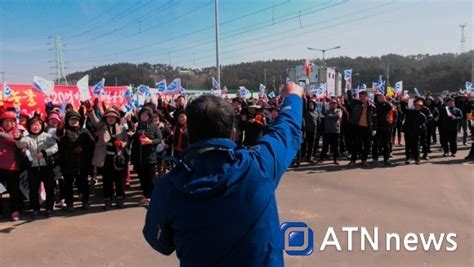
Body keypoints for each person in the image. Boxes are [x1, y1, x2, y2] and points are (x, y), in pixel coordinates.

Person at [143, 82, 304, 266]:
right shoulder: (259, 166)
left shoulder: (168, 187)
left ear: (188, 132)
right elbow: (286, 130)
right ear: (233, 133)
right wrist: (293, 96)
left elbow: (160, 243)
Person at [16, 115, 58, 218]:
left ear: (42, 125)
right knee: (33, 190)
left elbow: (55, 147)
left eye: (38, 124)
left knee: (49, 189)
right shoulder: (27, 138)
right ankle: (35, 209)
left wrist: (45, 153)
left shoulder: (48, 136)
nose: (36, 127)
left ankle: (49, 209)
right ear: (29, 127)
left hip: (46, 166)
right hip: (32, 168)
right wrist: (17, 137)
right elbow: (20, 144)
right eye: (33, 125)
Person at [87, 106, 128, 209]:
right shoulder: (102, 126)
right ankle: (107, 201)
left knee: (119, 181)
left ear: (116, 118)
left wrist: (121, 144)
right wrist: (90, 110)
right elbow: (95, 122)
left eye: (113, 117)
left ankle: (120, 200)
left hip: (117, 158)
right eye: (109, 116)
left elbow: (126, 140)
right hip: (105, 159)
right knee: (107, 181)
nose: (111, 118)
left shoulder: (121, 128)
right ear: (105, 118)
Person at [57, 111, 95, 211]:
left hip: (82, 163)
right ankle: (70, 204)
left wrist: (82, 148)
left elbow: (92, 143)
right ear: (67, 121)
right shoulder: (64, 131)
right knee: (68, 185)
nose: (74, 121)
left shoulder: (84, 131)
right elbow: (59, 141)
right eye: (71, 119)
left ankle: (85, 201)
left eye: (76, 119)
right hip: (67, 163)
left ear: (80, 121)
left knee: (83, 184)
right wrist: (60, 130)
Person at [130, 107, 162, 206]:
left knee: (151, 180)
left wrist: (150, 141)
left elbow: (159, 139)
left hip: (150, 158)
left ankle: (152, 198)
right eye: (142, 115)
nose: (144, 117)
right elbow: (132, 139)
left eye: (146, 115)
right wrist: (132, 133)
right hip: (139, 159)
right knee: (143, 180)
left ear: (150, 116)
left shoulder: (154, 126)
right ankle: (146, 196)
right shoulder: (137, 126)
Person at [0, 111, 23, 221]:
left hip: (12, 167)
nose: (9, 123)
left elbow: (14, 141)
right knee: (0, 190)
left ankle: (15, 211)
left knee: (14, 191)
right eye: (6, 121)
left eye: (12, 121)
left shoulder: (17, 132)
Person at [346, 89, 376, 167]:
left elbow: (374, 118)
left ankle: (364, 160)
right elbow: (350, 99)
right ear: (359, 97)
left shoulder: (371, 106)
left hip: (367, 128)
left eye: (364, 96)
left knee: (367, 145)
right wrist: (349, 91)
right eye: (361, 97)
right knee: (356, 145)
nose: (362, 98)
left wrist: (374, 128)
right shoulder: (356, 103)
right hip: (357, 127)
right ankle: (353, 161)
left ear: (367, 97)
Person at [402, 100, 427, 165]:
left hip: (416, 133)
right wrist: (403, 101)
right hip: (408, 132)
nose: (417, 106)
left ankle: (417, 159)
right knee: (408, 146)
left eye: (419, 106)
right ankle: (408, 158)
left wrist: (420, 131)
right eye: (416, 105)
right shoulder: (409, 112)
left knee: (416, 146)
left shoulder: (422, 116)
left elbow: (423, 126)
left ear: (421, 107)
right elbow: (403, 109)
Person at [318, 99, 342, 165]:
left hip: (336, 131)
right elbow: (323, 112)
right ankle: (321, 159)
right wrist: (323, 103)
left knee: (335, 146)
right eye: (332, 103)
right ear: (329, 104)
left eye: (334, 103)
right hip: (327, 131)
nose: (333, 104)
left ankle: (336, 159)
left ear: (336, 104)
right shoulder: (327, 111)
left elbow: (338, 116)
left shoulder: (339, 110)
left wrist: (329, 116)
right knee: (325, 146)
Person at [372, 94, 394, 165]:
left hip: (386, 126)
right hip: (377, 127)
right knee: (376, 144)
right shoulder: (374, 105)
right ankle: (375, 159)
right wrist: (373, 128)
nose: (380, 98)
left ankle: (386, 159)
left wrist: (385, 101)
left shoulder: (386, 104)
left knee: (386, 144)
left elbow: (391, 108)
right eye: (379, 97)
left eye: (381, 97)